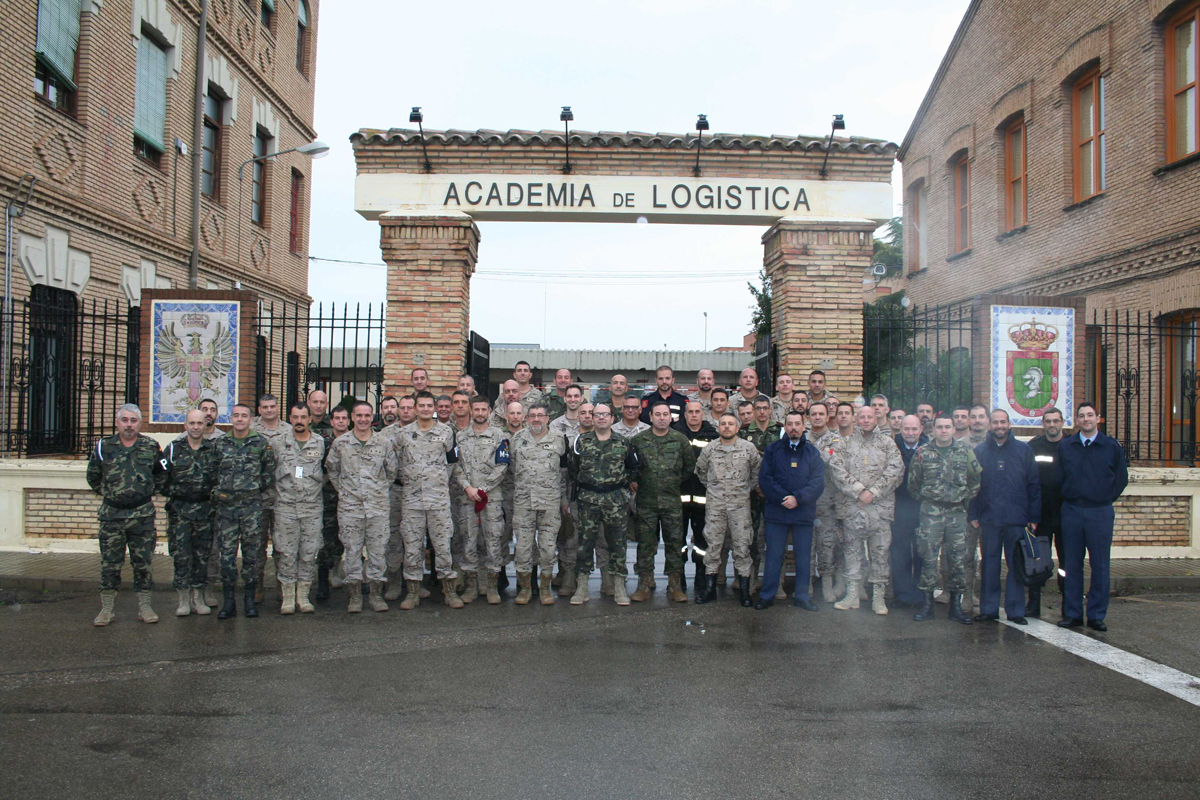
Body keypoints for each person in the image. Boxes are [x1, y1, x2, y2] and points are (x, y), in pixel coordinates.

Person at [87, 404, 168, 626]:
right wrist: (111, 493)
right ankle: (107, 609)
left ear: (140, 423)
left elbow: (162, 474)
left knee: (143, 563)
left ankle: (145, 607)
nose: (129, 425)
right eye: (124, 420)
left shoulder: (151, 446)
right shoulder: (104, 446)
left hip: (142, 516)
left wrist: (146, 491)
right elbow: (93, 476)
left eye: (133, 420)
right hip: (112, 516)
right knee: (110, 564)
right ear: (117, 422)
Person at [1056, 402, 1129, 631]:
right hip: (1072, 511)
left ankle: (1096, 615)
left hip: (1100, 512)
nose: (1086, 419)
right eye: (1081, 416)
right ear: (1077, 420)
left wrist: (1104, 498)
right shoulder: (1066, 446)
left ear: (1098, 418)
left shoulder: (1111, 446)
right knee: (1071, 564)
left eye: (1090, 415)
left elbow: (1121, 478)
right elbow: (1059, 477)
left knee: (1100, 565)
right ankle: (1073, 613)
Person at [829, 405, 904, 615]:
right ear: (856, 420)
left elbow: (896, 471)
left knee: (880, 554)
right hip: (853, 508)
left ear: (876, 418)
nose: (865, 420)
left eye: (869, 417)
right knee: (852, 552)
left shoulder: (887, 444)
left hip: (879, 510)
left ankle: (878, 598)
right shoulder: (844, 444)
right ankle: (852, 595)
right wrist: (859, 491)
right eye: (861, 417)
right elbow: (836, 470)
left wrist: (874, 492)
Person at [907, 413, 982, 624]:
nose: (943, 430)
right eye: (939, 427)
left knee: (958, 560)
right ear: (933, 430)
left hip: (957, 514)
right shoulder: (922, 453)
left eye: (947, 427)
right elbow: (913, 484)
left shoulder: (966, 452)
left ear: (953, 429)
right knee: (928, 558)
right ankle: (927, 605)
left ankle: (956, 607)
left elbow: (975, 481)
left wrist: (963, 500)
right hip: (931, 514)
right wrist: (930, 501)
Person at [969, 409, 1041, 625]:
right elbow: (973, 485)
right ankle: (989, 609)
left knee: (1015, 565)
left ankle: (1015, 610)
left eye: (1003, 422)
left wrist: (1033, 516)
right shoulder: (980, 451)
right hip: (989, 518)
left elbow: (1033, 484)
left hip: (1016, 518)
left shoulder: (1023, 450)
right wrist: (973, 513)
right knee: (989, 565)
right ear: (989, 425)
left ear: (1009, 424)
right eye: (995, 422)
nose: (999, 426)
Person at [325, 401, 398, 613]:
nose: (363, 419)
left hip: (377, 508)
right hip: (350, 508)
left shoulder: (383, 443)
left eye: (367, 415)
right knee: (352, 551)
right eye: (359, 415)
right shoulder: (341, 443)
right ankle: (355, 596)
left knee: (378, 551)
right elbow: (332, 470)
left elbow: (391, 472)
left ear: (372, 417)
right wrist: (345, 491)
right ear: (352, 417)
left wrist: (377, 490)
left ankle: (376, 595)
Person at [395, 391, 461, 609]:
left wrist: (438, 480)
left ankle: (449, 591)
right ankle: (413, 592)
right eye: (421, 405)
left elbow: (452, 462)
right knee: (412, 548)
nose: (425, 409)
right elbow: (395, 464)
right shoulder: (403, 434)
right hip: (412, 501)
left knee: (443, 547)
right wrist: (409, 480)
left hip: (438, 501)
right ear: (415, 408)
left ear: (433, 408)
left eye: (428, 406)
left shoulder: (446, 432)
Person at [569, 403, 639, 606]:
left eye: (605, 414)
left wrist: (620, 484)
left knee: (618, 544)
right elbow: (573, 468)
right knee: (584, 544)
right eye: (597, 414)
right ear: (592, 418)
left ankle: (619, 587)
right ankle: (582, 587)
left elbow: (633, 468)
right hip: (588, 500)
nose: (601, 418)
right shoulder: (581, 441)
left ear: (612, 418)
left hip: (615, 501)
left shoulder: (623, 442)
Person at [211, 403, 276, 619]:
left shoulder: (260, 443)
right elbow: (212, 472)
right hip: (226, 509)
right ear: (231, 418)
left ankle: (249, 600)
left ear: (250, 419)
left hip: (251, 508)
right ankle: (229, 602)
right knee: (227, 556)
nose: (240, 419)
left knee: (251, 556)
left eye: (244, 416)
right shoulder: (220, 443)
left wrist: (252, 492)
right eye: (236, 415)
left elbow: (268, 474)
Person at [756, 409, 825, 610]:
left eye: (797, 424)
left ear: (804, 426)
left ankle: (802, 596)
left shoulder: (812, 452)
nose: (793, 428)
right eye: (790, 424)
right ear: (785, 427)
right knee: (773, 556)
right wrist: (783, 498)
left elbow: (818, 482)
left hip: (802, 513)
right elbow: (765, 479)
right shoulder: (773, 450)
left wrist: (798, 498)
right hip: (777, 513)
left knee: (803, 557)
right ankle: (767, 595)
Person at [631, 402, 697, 602]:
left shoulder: (680, 440)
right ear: (650, 417)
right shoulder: (638, 440)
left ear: (671, 417)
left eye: (665, 414)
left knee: (674, 544)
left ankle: (675, 585)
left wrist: (672, 482)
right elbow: (631, 467)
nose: (661, 418)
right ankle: (644, 584)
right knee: (645, 544)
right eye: (657, 414)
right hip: (646, 502)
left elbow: (689, 467)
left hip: (671, 502)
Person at [695, 412, 761, 606]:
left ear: (737, 427)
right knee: (713, 547)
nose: (726, 427)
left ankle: (745, 591)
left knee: (742, 547)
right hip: (715, 506)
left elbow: (756, 473)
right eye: (723, 423)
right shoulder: (710, 449)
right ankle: (710, 590)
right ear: (718, 427)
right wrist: (716, 489)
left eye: (730, 424)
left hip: (740, 506)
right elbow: (701, 472)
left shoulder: (748, 448)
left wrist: (743, 490)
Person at [452, 395, 510, 605]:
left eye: (483, 409)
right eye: (476, 409)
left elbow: (502, 465)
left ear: (489, 411)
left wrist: (483, 489)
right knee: (469, 540)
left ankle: (491, 586)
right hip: (467, 498)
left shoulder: (500, 436)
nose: (479, 413)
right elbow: (455, 465)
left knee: (493, 540)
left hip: (491, 498)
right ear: (471, 411)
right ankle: (471, 587)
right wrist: (468, 487)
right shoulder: (460, 437)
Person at [269, 402, 325, 615]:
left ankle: (303, 596)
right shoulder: (278, 443)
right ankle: (288, 598)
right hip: (286, 508)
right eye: (295, 417)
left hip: (311, 508)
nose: (299, 421)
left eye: (303, 417)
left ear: (310, 419)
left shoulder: (320, 443)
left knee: (309, 553)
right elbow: (269, 471)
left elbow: (327, 472)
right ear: (290, 419)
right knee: (286, 553)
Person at [510, 404, 568, 605]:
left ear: (547, 418)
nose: (536, 419)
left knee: (548, 549)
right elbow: (511, 469)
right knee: (523, 548)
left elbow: (564, 473)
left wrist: (564, 500)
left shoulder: (559, 439)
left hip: (550, 502)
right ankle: (525, 588)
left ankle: (545, 588)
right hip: (523, 502)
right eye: (532, 415)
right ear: (526, 418)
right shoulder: (517, 439)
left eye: (540, 415)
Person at [163, 409, 217, 617]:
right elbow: (161, 477)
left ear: (205, 425)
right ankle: (183, 599)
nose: (196, 427)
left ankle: (198, 598)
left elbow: (219, 478)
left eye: (199, 423)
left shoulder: (213, 450)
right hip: (180, 512)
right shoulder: (173, 449)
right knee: (181, 556)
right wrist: (177, 493)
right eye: (192, 423)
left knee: (202, 556)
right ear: (185, 425)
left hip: (205, 512)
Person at [674, 400, 719, 598]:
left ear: (703, 414)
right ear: (685, 414)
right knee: (678, 540)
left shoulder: (713, 436)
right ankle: (679, 577)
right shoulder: (675, 434)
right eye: (690, 412)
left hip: (704, 498)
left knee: (702, 541)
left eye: (697, 412)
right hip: (679, 498)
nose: (693, 415)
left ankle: (701, 574)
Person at [1027, 407, 1066, 618]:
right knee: (1038, 562)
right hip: (1040, 516)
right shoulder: (1034, 446)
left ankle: (1068, 604)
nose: (1052, 425)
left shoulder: (1071, 446)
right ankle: (1034, 604)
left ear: (1062, 422)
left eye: (1056, 421)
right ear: (1043, 423)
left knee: (1066, 563)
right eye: (1048, 421)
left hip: (1065, 515)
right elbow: (1028, 480)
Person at [741, 396, 782, 596]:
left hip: (774, 494)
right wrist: (757, 485)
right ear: (754, 410)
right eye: (758, 408)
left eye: (765, 408)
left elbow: (783, 463)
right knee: (752, 539)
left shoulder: (780, 431)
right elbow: (742, 465)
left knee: (775, 539)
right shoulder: (743, 433)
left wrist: (771, 487)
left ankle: (776, 582)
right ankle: (752, 579)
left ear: (771, 409)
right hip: (752, 495)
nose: (762, 412)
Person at [251, 394, 286, 605]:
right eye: (265, 407)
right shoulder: (251, 430)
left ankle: (283, 587)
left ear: (277, 407)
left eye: (272, 406)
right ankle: (257, 587)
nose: (269, 410)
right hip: (258, 498)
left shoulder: (288, 430)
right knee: (257, 545)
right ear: (259, 409)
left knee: (282, 545)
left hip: (282, 497)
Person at [891, 414, 928, 609]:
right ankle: (903, 595)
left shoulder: (929, 448)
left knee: (922, 553)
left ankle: (921, 596)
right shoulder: (891, 448)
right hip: (899, 508)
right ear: (900, 430)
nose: (910, 433)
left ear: (921, 430)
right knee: (900, 554)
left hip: (923, 509)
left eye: (914, 429)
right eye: (907, 429)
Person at [807, 402, 843, 603]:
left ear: (828, 417)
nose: (818, 417)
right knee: (806, 546)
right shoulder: (801, 438)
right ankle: (807, 585)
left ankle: (827, 585)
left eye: (821, 414)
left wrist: (808, 455)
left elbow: (830, 460)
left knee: (827, 545)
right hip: (805, 502)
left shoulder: (836, 440)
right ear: (808, 418)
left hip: (827, 502)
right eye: (814, 414)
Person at [316, 405, 350, 600]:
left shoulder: (353, 441)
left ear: (349, 421)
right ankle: (322, 581)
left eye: (344, 418)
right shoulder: (323, 443)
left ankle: (337, 572)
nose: (340, 421)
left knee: (345, 541)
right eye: (337, 418)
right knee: (326, 542)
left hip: (351, 501)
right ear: (331, 421)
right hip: (329, 499)